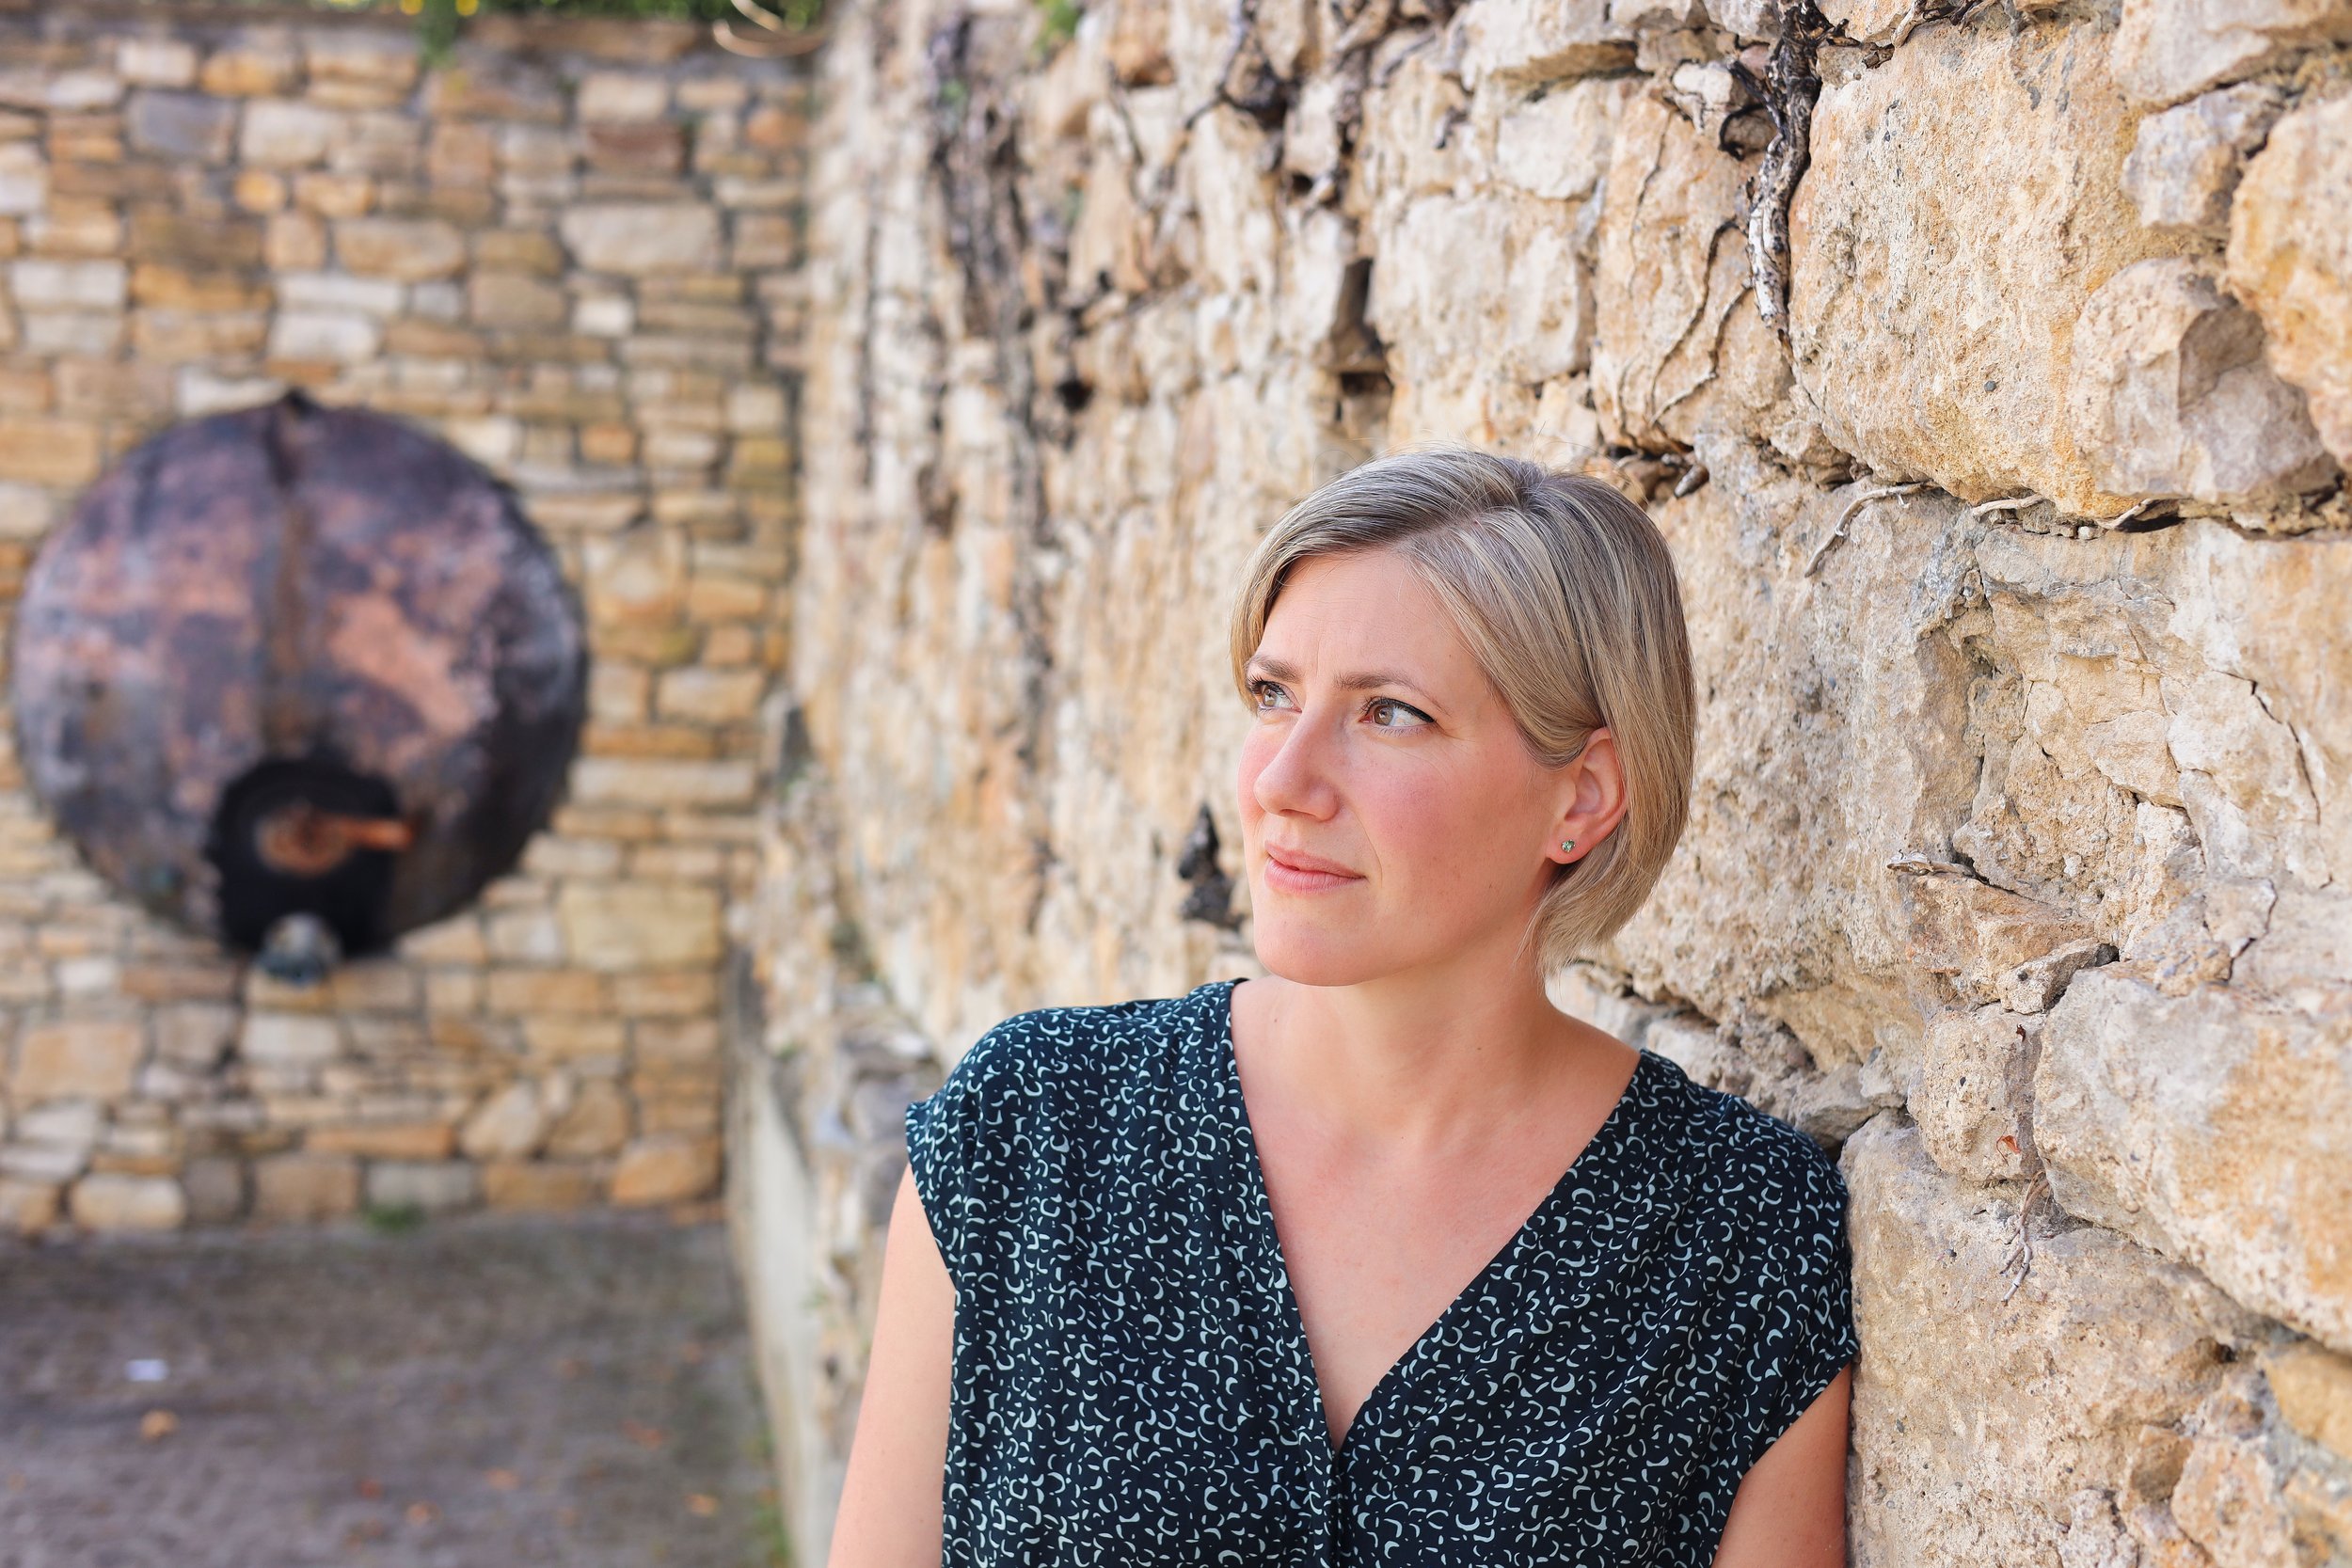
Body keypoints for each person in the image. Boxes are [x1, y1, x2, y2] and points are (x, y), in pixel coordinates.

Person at [829, 446, 1858, 1567]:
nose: (1282, 779)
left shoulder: (1736, 1238)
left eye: (1390, 714)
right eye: (1273, 694)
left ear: (1583, 795)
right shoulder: (1030, 1129)